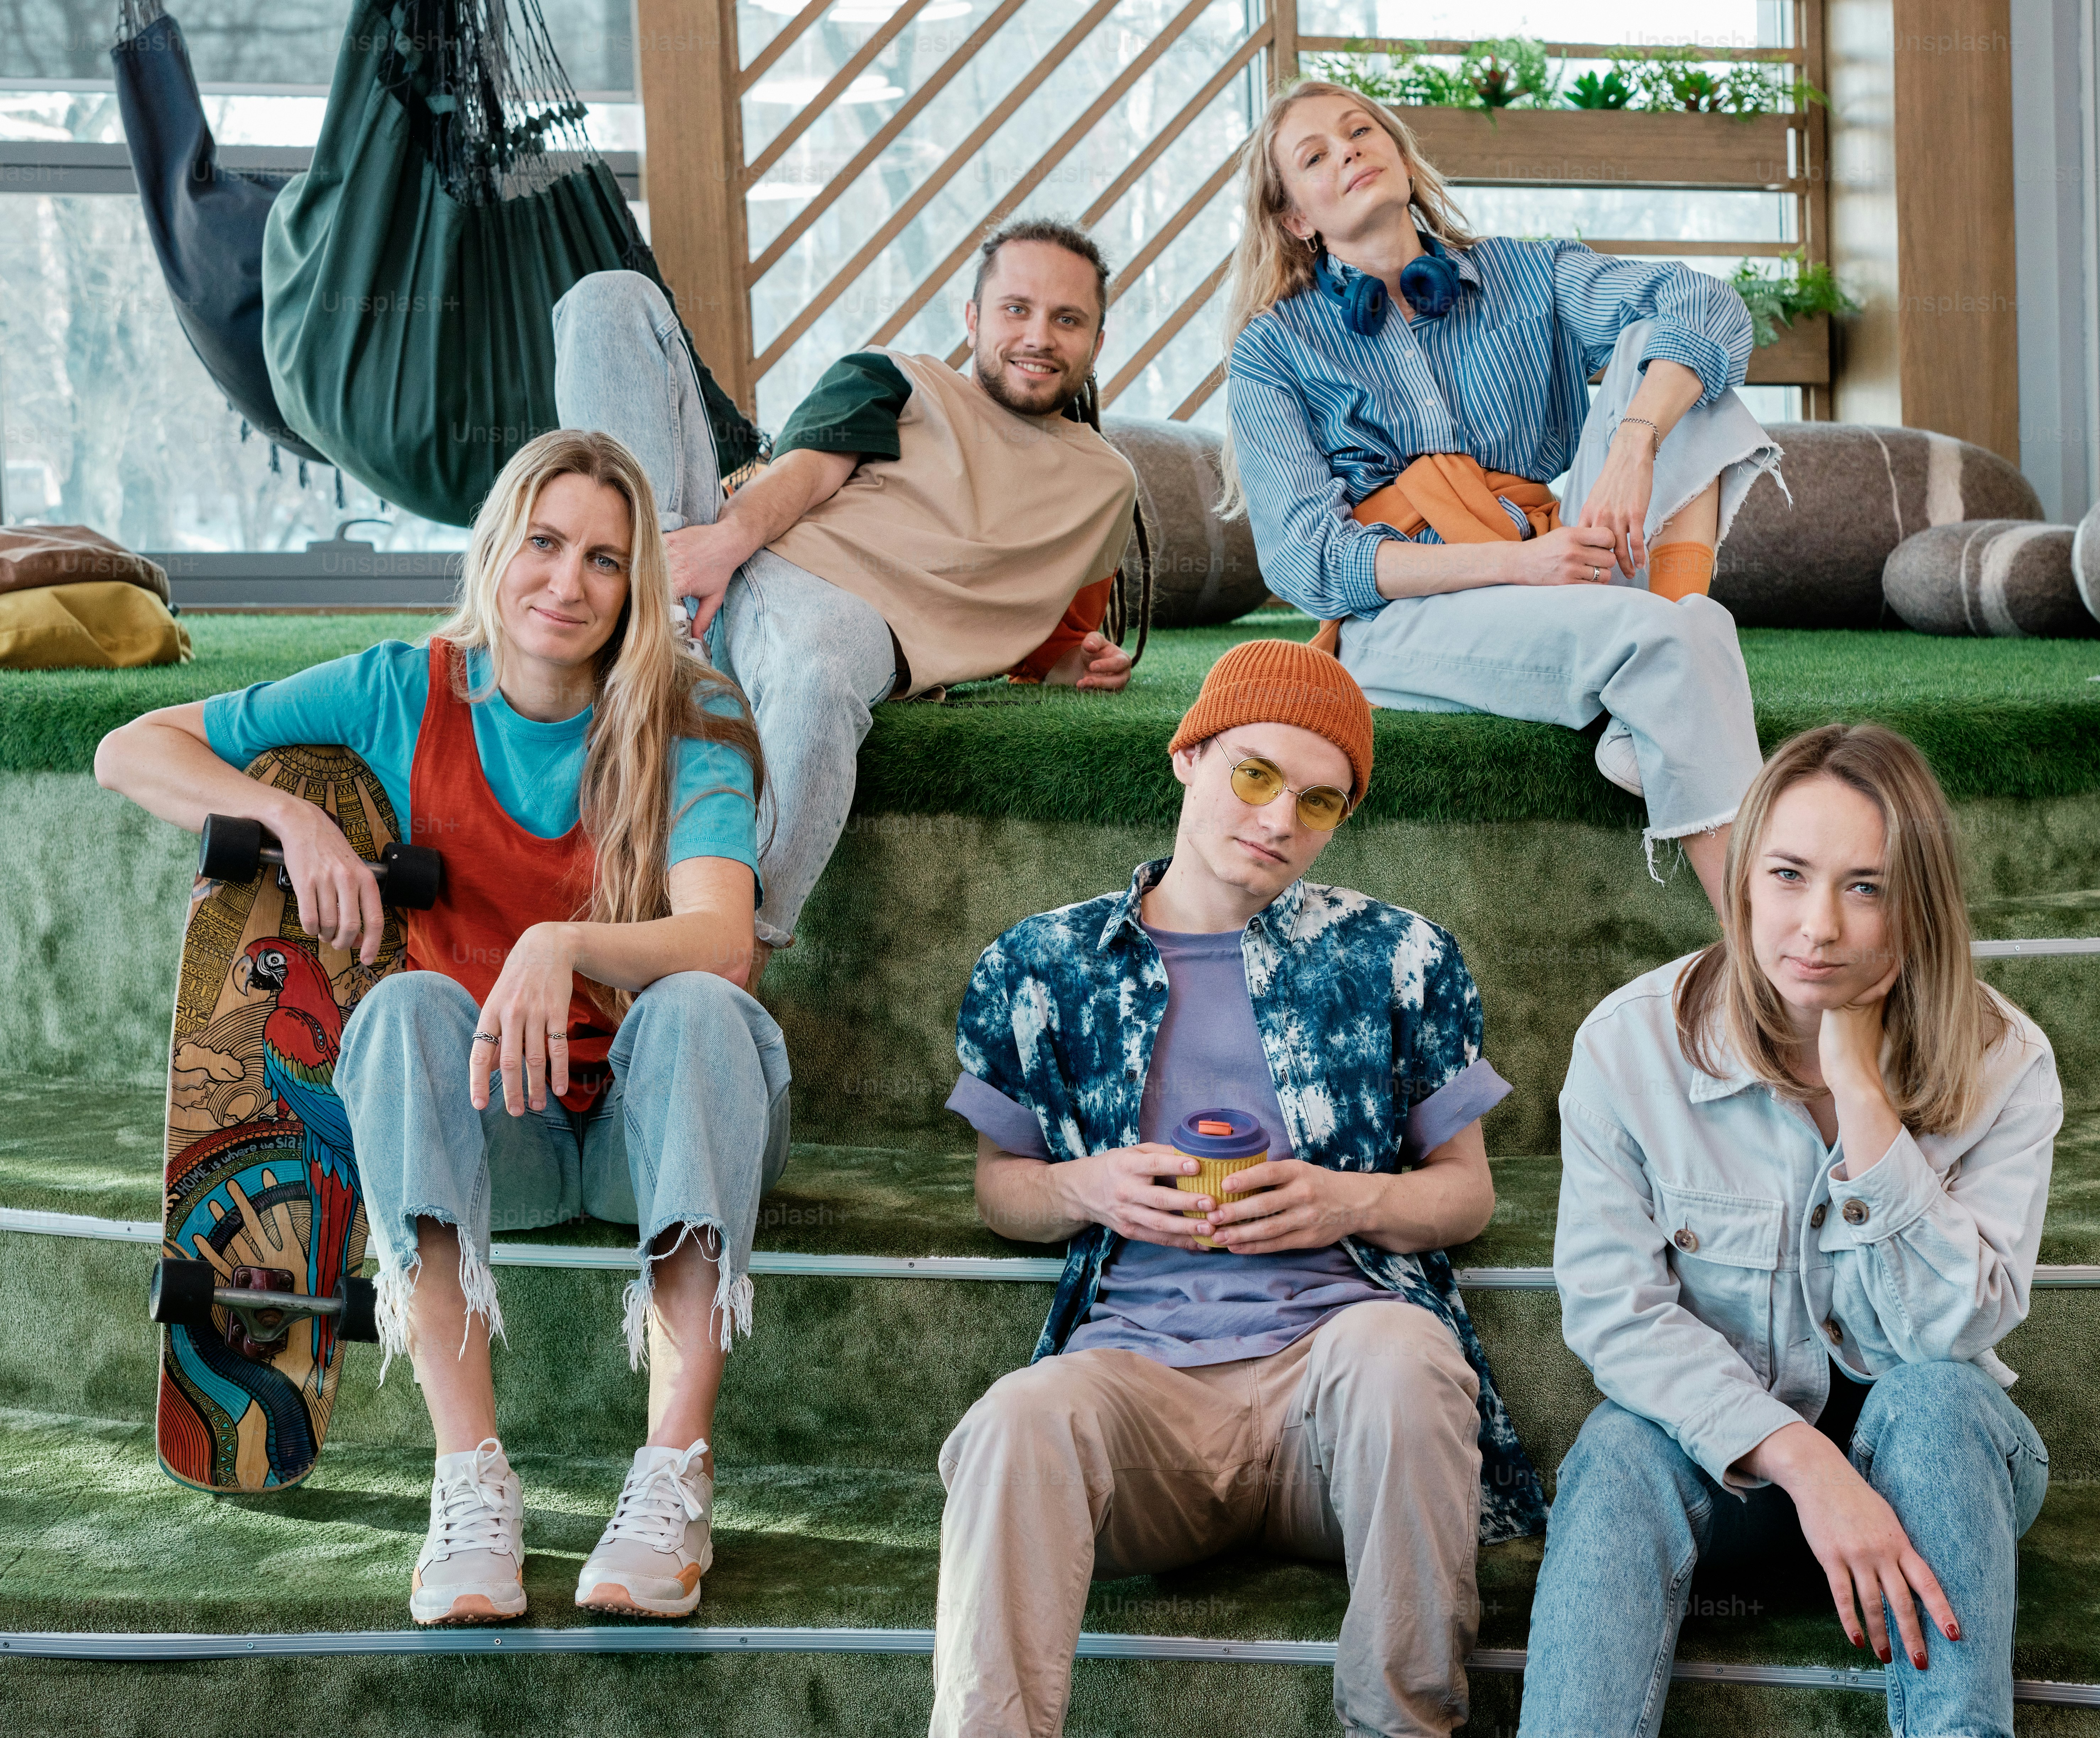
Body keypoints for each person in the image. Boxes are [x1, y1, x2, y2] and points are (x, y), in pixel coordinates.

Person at [95, 430, 789, 1627]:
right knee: (406, 1005)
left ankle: (674, 1471)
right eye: (545, 544)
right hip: (492, 1132)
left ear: (637, 588)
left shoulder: (692, 709)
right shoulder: (406, 688)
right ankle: (469, 1479)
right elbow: (132, 747)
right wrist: (287, 820)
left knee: (702, 1006)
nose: (567, 583)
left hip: (664, 1126)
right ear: (497, 550)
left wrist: (560, 943)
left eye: (606, 561)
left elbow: (720, 933)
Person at [929, 638, 1544, 1738]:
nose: (1278, 822)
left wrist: (1348, 1200)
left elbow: (1465, 1197)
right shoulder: (1043, 964)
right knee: (1015, 1421)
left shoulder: (1400, 957)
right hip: (1142, 1392)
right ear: (1189, 755)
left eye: (1318, 801)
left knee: (1405, 1353)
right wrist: (1088, 1186)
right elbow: (1000, 1191)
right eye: (1254, 775)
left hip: (1335, 1391)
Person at [1520, 723, 2062, 1737]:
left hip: (1936, 1479)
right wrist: (1806, 1466)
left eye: (1866, 886)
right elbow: (1615, 1315)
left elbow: (1953, 1329)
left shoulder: (2004, 1062)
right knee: (1619, 1443)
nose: (1817, 926)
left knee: (1936, 1399)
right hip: (1730, 1480)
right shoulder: (1632, 1045)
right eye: (1787, 875)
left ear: (1920, 903)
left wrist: (1863, 1095)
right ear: (1742, 883)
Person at [1221, 81, 1784, 918]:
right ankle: (1768, 960)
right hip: (1406, 618)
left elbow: (1708, 305)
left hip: (1567, 561)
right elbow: (1313, 562)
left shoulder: (1528, 274)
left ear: (1401, 158)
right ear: (1298, 219)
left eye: (1361, 131)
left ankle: (1655, 662)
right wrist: (1520, 563)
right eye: (1314, 156)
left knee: (1677, 364)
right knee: (1683, 638)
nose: (1348, 151)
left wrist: (1634, 440)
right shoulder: (1272, 350)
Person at [553, 217, 1145, 978]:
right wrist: (715, 549)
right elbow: (809, 471)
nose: (1039, 335)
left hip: (851, 624)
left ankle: (733, 947)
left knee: (823, 666)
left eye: (1068, 319)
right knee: (612, 299)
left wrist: (1068, 662)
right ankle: (657, 622)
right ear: (972, 318)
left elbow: (1049, 623)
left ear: (1098, 336)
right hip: (745, 555)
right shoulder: (900, 377)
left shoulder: (1106, 485)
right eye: (1016, 309)